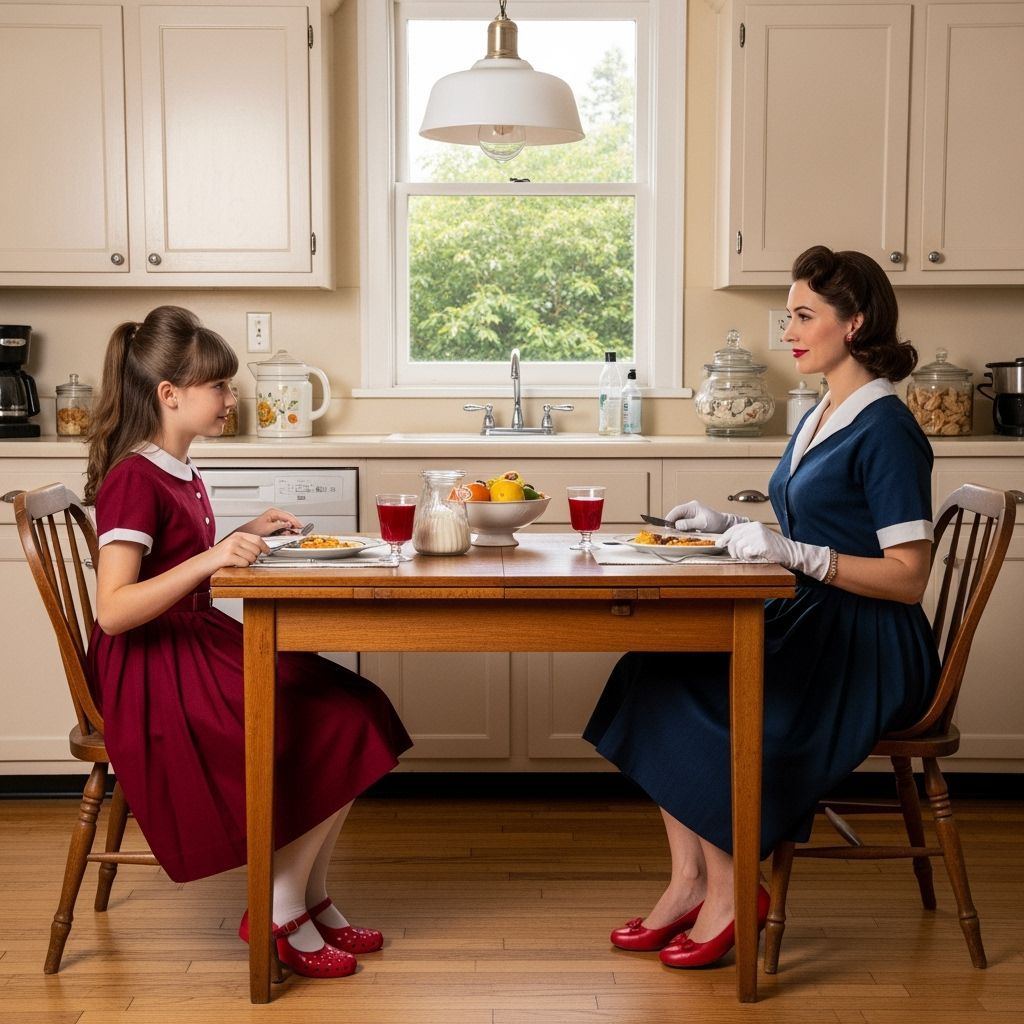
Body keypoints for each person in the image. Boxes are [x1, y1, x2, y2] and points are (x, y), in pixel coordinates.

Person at [584, 245, 940, 969]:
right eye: (789, 316)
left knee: (710, 703)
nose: (789, 332)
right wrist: (724, 525)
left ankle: (732, 893)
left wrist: (794, 555)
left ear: (856, 322)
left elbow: (908, 578)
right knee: (649, 673)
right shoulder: (821, 412)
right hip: (818, 615)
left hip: (866, 642)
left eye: (805, 316)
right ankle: (690, 882)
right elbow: (818, 524)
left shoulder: (887, 430)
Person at [84, 305, 412, 979]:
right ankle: (278, 905)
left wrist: (240, 533)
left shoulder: (178, 468)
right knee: (339, 720)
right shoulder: (132, 480)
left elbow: (170, 560)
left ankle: (307, 896)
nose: (232, 399)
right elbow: (114, 610)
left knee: (359, 706)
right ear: (169, 395)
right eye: (220, 387)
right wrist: (210, 561)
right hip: (155, 671)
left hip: (191, 644)